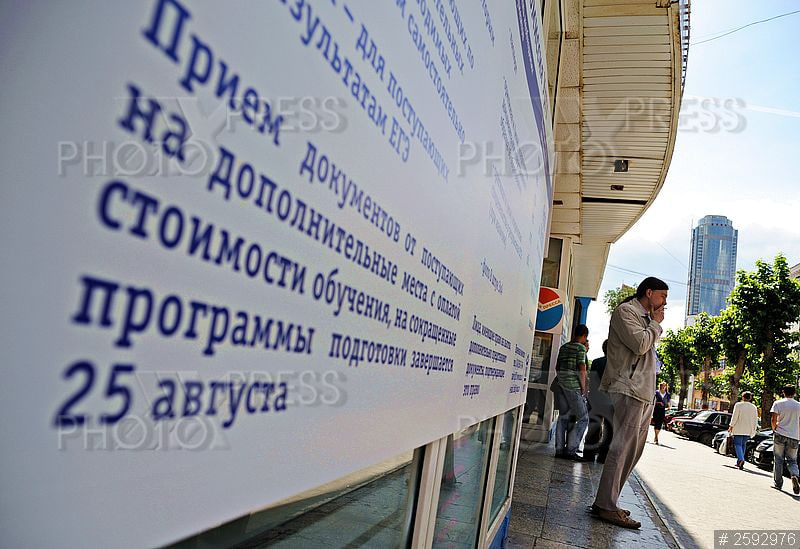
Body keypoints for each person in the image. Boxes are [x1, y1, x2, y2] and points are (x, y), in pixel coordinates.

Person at [591, 277, 667, 529]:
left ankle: (608, 501)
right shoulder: (626, 311)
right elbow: (640, 344)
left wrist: (653, 323)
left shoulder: (645, 318)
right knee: (621, 449)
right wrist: (655, 324)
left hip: (643, 391)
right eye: (663, 296)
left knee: (632, 452)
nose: (665, 302)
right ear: (649, 292)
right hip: (629, 388)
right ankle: (606, 505)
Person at [554, 324, 590, 461]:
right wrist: (583, 388)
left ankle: (559, 450)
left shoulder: (564, 347)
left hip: (561, 385)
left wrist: (562, 380)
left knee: (563, 417)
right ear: (584, 336)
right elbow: (582, 369)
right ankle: (571, 450)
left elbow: (557, 367)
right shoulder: (580, 348)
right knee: (584, 418)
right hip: (573, 387)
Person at [585, 340, 613, 463]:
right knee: (609, 429)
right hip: (610, 401)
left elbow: (592, 381)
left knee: (593, 427)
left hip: (595, 399)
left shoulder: (596, 362)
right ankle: (603, 457)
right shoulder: (617, 364)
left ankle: (588, 455)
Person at [770, 385, 800, 494]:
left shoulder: (778, 403)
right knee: (792, 460)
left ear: (783, 392)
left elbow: (773, 419)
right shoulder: (799, 405)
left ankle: (778, 483)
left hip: (780, 433)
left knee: (778, 459)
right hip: (794, 436)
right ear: (794, 393)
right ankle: (795, 475)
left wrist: (774, 429)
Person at [727, 391, 758, 470]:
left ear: (742, 397)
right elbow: (755, 420)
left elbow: (735, 417)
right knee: (743, 445)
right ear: (750, 398)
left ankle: (741, 459)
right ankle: (739, 462)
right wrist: (754, 430)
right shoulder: (754, 407)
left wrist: (731, 426)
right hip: (748, 429)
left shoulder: (738, 405)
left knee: (738, 444)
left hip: (739, 428)